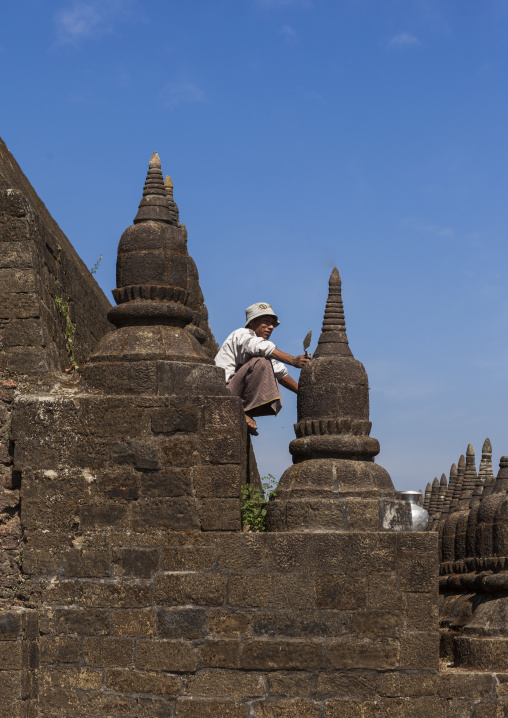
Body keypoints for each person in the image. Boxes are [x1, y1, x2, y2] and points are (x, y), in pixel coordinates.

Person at [215, 302, 309, 435]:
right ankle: (244, 410)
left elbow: (279, 372)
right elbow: (259, 346)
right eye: (265, 321)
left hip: (235, 393)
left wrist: (304, 392)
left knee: (267, 364)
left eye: (272, 324)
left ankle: (246, 410)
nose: (270, 327)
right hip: (224, 393)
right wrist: (292, 360)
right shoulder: (243, 334)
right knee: (262, 362)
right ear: (252, 323)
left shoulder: (262, 349)